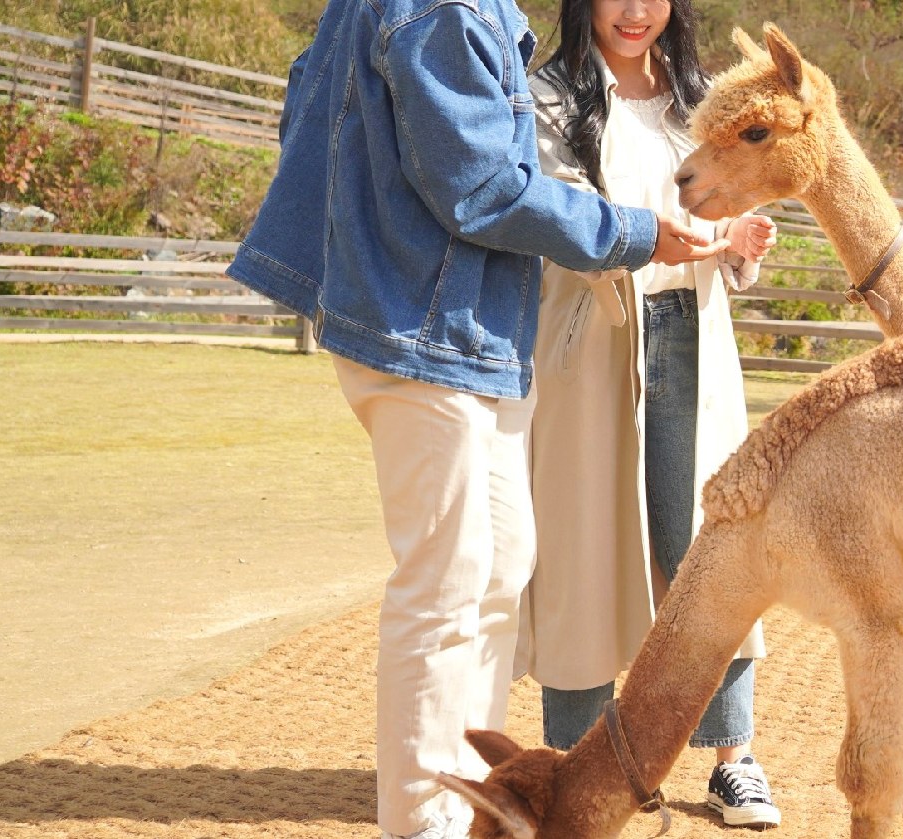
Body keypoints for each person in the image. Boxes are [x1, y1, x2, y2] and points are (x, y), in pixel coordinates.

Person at [226, 0, 729, 834]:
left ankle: (477, 806)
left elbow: (308, 103)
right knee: (447, 584)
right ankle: (426, 822)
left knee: (495, 571)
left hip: (468, 328)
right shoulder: (441, 13)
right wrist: (640, 232)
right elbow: (487, 191)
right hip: (426, 324)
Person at [514, 0, 783, 829]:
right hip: (592, 343)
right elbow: (551, 218)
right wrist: (646, 238)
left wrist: (737, 243)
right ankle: (580, 762)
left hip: (692, 334)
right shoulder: (548, 95)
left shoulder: (700, 98)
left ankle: (732, 757)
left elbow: (718, 203)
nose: (635, 12)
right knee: (583, 550)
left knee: (707, 552)